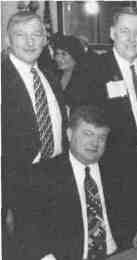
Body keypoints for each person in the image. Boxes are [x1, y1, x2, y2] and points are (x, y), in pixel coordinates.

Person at [17, 105, 137, 260]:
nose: (95, 143)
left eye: (101, 137)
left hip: (119, 254)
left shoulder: (118, 170)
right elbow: (28, 231)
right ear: (69, 134)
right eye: (88, 134)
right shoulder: (42, 176)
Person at [83, 7, 137, 209]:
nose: (131, 38)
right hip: (113, 176)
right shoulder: (94, 68)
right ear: (112, 33)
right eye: (125, 31)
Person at [2, 11, 66, 241]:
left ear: (44, 39)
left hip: (57, 175)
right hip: (19, 184)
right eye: (21, 35)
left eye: (36, 34)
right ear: (8, 40)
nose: (30, 42)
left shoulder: (50, 77)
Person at [53, 35, 93, 111]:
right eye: (57, 54)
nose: (58, 58)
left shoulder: (86, 78)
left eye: (63, 54)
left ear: (75, 55)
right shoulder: (53, 75)